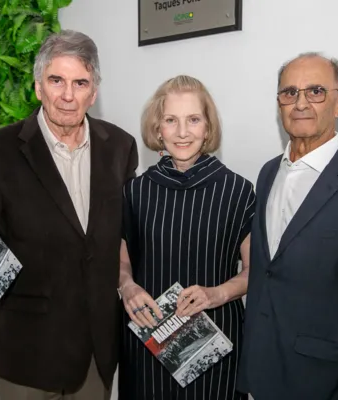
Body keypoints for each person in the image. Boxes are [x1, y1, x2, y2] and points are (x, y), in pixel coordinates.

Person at [0, 30, 138, 400]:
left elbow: (125, 237)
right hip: (28, 350)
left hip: (97, 350)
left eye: (80, 82)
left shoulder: (121, 147)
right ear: (37, 87)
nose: (67, 95)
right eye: (56, 80)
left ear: (93, 92)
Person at [236, 53, 338, 399]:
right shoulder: (268, 173)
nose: (300, 103)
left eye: (315, 91)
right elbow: (266, 275)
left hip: (324, 384)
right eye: (289, 93)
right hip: (260, 373)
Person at [117, 75, 255, 400]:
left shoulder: (238, 191)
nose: (182, 132)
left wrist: (217, 294)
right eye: (171, 120)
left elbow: (256, 270)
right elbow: (121, 261)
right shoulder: (134, 191)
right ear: (157, 129)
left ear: (208, 128)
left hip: (216, 347)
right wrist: (127, 285)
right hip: (148, 344)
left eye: (193, 119)